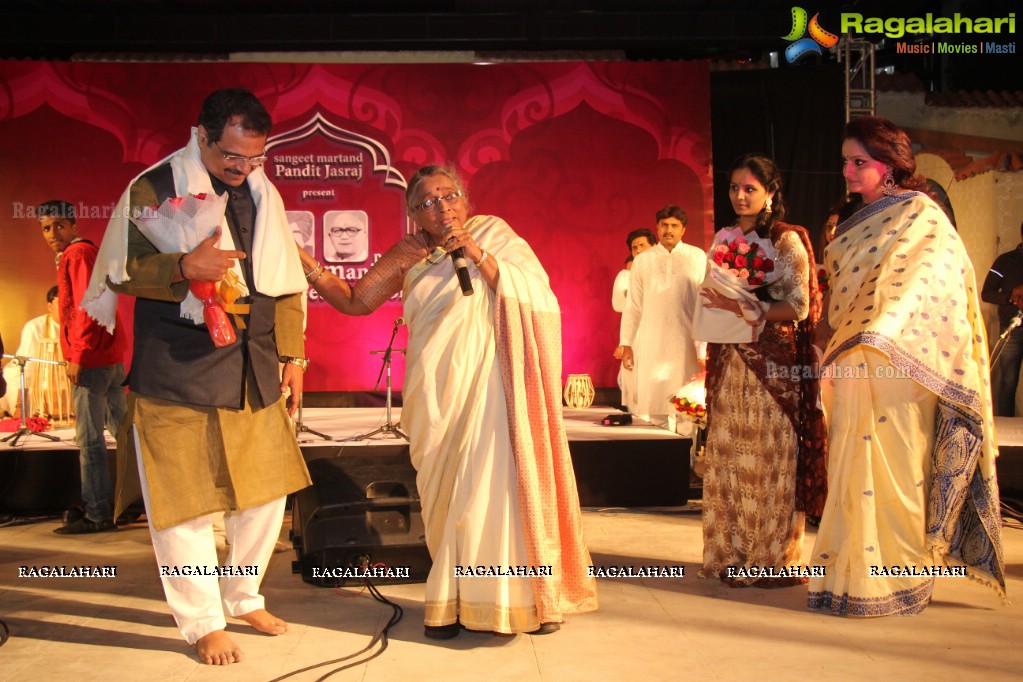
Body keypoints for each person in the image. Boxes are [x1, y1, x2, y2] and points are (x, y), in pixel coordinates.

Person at [298, 164, 598, 638]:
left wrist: (476, 253)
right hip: (436, 391)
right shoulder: (408, 253)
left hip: (491, 388)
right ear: (413, 213)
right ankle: (452, 601)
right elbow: (355, 301)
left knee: (494, 486)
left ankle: (525, 601)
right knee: (449, 499)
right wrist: (304, 261)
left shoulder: (493, 233)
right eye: (426, 201)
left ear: (466, 200)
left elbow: (536, 294)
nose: (441, 206)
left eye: (448, 195)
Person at [86, 88, 312, 663]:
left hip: (253, 366)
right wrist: (183, 266)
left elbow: (283, 280)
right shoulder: (154, 187)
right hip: (178, 370)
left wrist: (292, 356)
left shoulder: (264, 192)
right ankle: (202, 620)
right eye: (231, 156)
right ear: (202, 136)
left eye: (254, 158)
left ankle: (242, 595)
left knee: (264, 497)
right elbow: (119, 269)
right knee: (183, 504)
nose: (242, 169)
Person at [809, 116, 1005, 616]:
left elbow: (928, 284)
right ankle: (843, 580)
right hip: (856, 361)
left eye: (859, 162)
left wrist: (881, 333)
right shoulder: (859, 223)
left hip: (901, 363)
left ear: (889, 166)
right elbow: (845, 298)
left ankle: (893, 584)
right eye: (845, 162)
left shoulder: (921, 215)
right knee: (851, 470)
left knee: (895, 471)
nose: (849, 172)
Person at [698, 154, 828, 586]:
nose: (739, 195)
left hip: (773, 366)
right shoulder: (726, 238)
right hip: (732, 361)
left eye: (750, 188)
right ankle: (733, 552)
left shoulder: (787, 240)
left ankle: (771, 556)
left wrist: (745, 306)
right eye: (734, 187)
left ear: (771, 193)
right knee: (732, 455)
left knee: (770, 456)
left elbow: (801, 306)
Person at [36, 200, 128, 534]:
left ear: (74, 227)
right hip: (108, 356)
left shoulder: (77, 255)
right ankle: (133, 504)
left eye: (59, 226)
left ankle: (98, 513)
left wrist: (78, 355)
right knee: (125, 435)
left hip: (93, 358)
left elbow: (88, 307)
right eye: (46, 228)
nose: (52, 234)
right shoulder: (81, 254)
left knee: (89, 441)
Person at [620, 205, 705, 428]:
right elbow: (633, 305)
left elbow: (706, 302)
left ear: (683, 229)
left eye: (675, 226)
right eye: (665, 225)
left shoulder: (697, 257)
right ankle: (661, 459)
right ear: (657, 228)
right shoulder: (643, 260)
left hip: (687, 340)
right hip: (652, 341)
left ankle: (686, 460)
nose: (669, 230)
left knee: (687, 407)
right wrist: (626, 343)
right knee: (655, 406)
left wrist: (706, 347)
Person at [1, 286, 68, 418]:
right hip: (39, 374)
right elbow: (27, 363)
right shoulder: (35, 327)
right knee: (18, 380)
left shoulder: (80, 325)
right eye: (61, 304)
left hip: (68, 374)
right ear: (49, 307)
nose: (66, 308)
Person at [981, 221, 1023, 416]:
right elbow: (986, 293)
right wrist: (1011, 296)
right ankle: (1007, 431)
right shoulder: (1005, 261)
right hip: (1012, 329)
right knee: (1007, 383)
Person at [613, 228, 656, 410]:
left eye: (642, 246)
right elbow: (620, 303)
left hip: (659, 329)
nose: (638, 250)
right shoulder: (626, 275)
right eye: (634, 247)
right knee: (635, 379)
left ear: (653, 246)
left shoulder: (663, 271)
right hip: (636, 330)